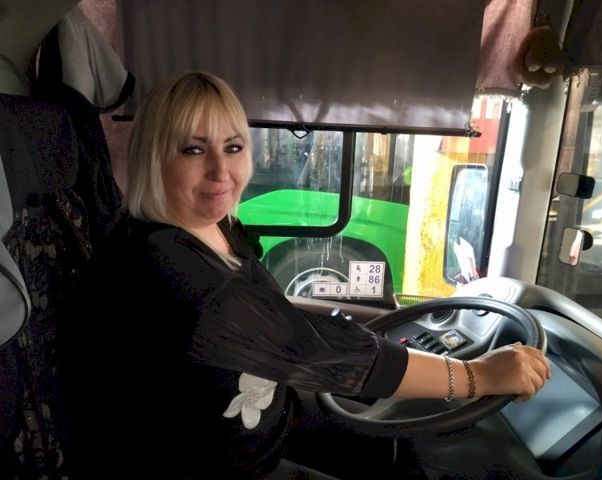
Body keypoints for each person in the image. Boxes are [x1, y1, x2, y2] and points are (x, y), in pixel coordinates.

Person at [61, 71, 550, 480]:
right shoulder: (173, 272)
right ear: (154, 157)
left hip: (266, 433)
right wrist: (478, 375)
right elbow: (327, 355)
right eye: (193, 150)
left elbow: (282, 324)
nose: (221, 171)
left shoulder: (211, 228)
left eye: (233, 147)